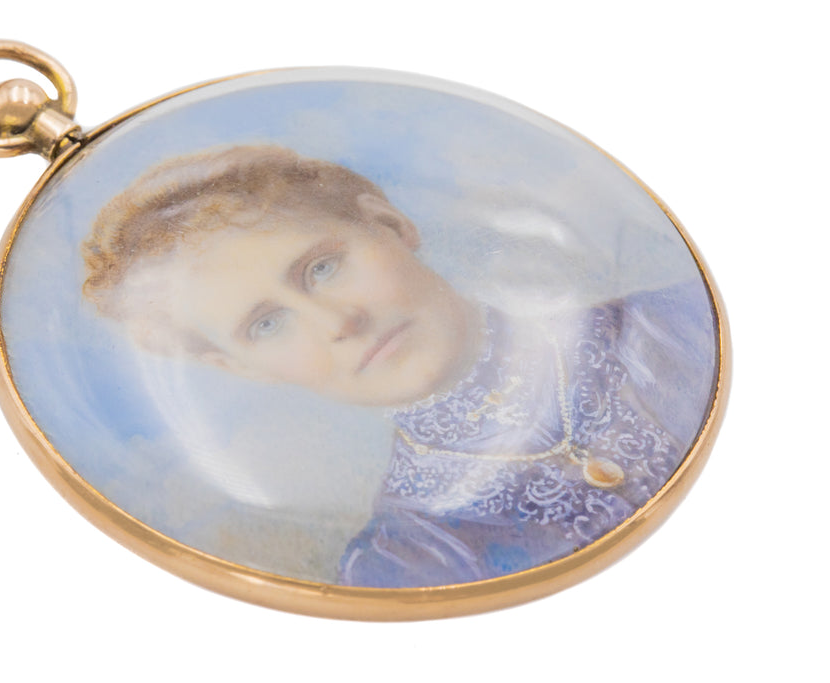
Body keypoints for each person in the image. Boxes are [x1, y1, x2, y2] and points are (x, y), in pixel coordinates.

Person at [82, 145, 717, 588]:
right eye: (267, 325)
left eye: (322, 268)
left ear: (389, 225)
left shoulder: (676, 320)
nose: (337, 322)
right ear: (243, 368)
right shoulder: (405, 559)